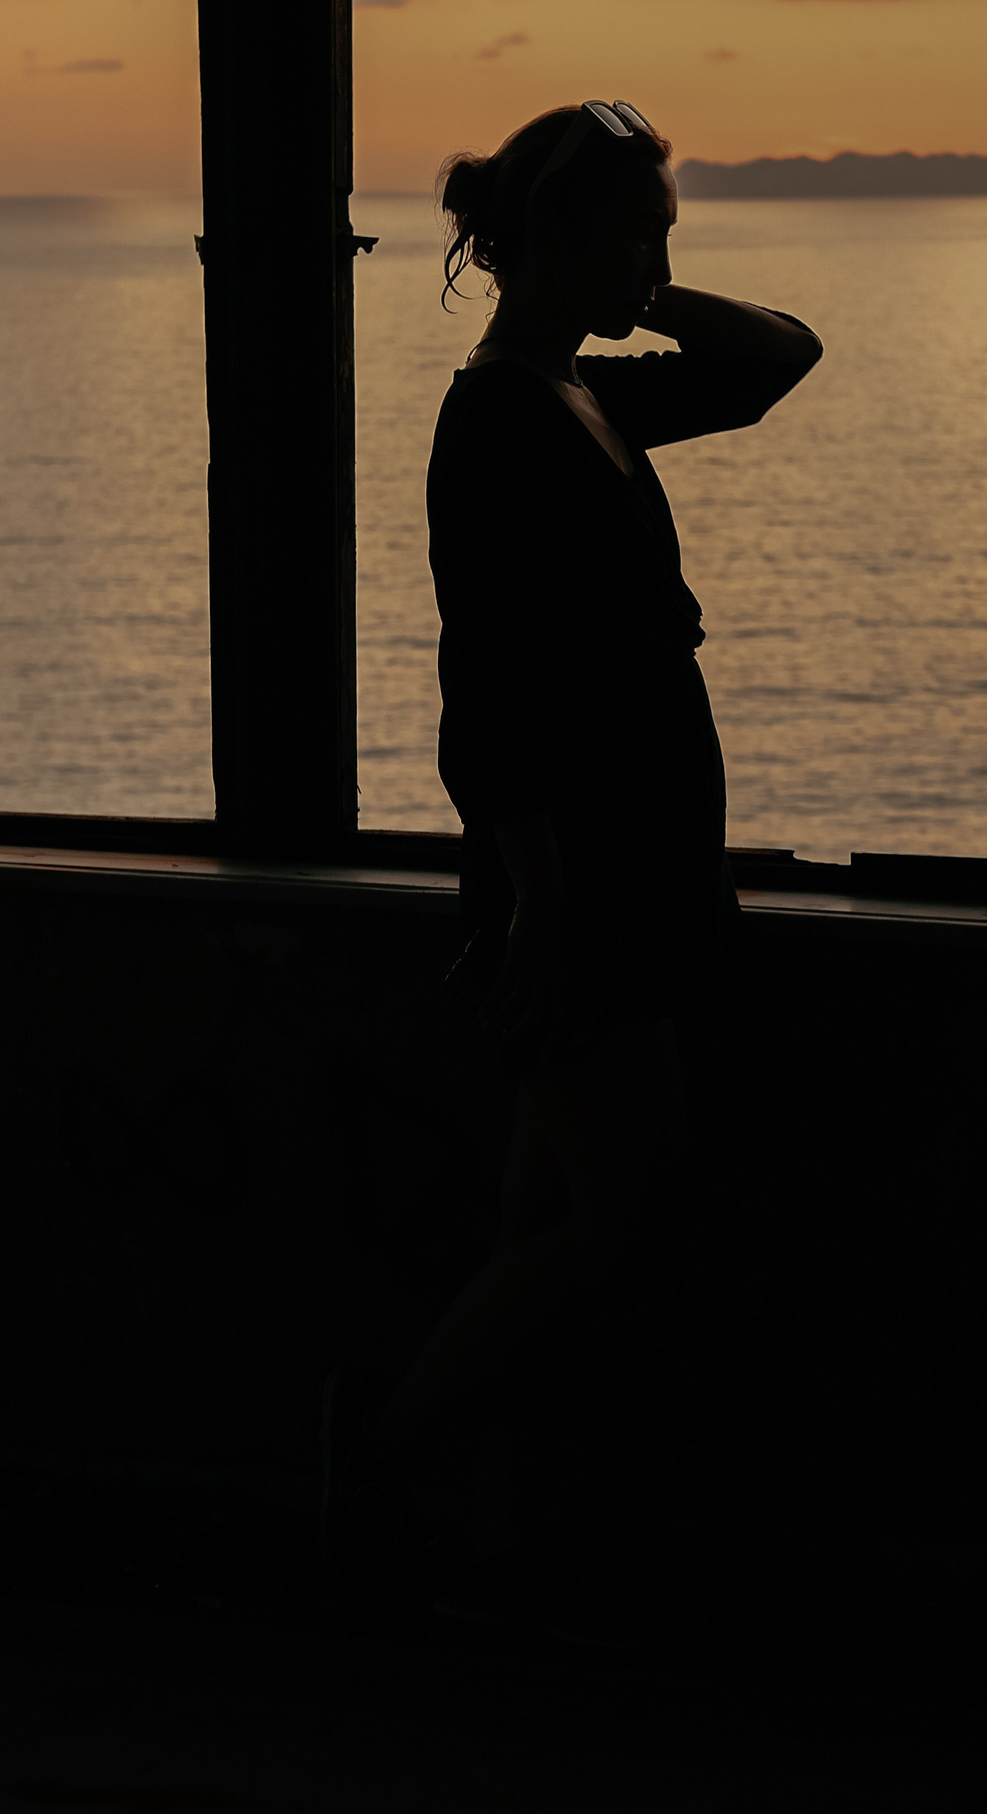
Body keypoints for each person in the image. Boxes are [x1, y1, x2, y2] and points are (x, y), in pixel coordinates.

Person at [322, 99, 821, 1597]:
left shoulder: (584, 394)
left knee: (545, 1221)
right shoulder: (500, 421)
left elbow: (780, 356)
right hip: (583, 886)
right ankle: (380, 1467)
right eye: (643, 234)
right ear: (558, 236)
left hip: (626, 869)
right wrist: (542, 897)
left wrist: (638, 288)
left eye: (669, 237)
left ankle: (496, 1542)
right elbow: (486, 688)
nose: (662, 261)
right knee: (620, 1224)